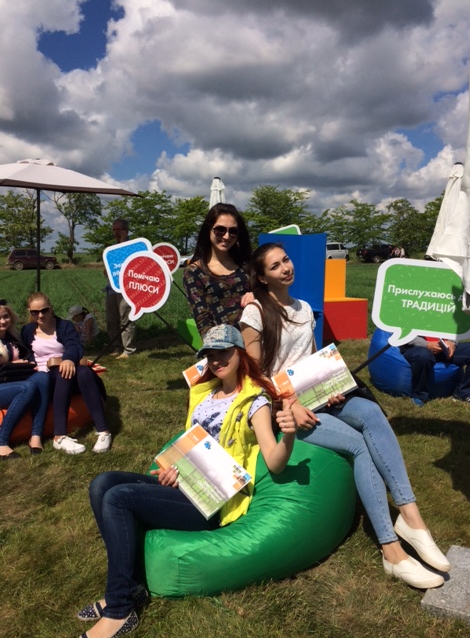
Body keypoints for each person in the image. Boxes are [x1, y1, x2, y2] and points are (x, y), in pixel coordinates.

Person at [240, 242, 450, 589]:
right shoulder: (255, 312)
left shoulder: (303, 308)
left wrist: (328, 385)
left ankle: (411, 516)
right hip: (284, 409)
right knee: (359, 445)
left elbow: (309, 360)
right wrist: (290, 403)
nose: (286, 268)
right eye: (275, 266)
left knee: (371, 412)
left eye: (286, 260)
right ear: (262, 278)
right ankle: (391, 550)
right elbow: (254, 374)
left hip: (317, 397)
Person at [76, 324, 296, 638]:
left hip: (214, 497)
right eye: (210, 354)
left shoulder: (254, 401)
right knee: (102, 483)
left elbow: (274, 461)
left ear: (239, 352)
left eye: (223, 352)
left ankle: (119, 608)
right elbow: (191, 443)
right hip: (186, 482)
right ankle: (131, 588)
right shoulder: (205, 392)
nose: (217, 360)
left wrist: (288, 435)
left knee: (118, 498)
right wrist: (173, 469)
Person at [22, 292, 112, 454]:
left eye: (44, 310)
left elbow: (74, 345)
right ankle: (59, 436)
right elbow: (24, 352)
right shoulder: (27, 331)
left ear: (50, 308)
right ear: (30, 312)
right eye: (35, 312)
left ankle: (103, 431)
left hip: (68, 369)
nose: (40, 315)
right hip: (46, 376)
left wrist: (69, 359)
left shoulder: (64, 326)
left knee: (84, 372)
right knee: (64, 372)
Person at [183, 203, 252, 337]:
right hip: (225, 343)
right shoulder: (194, 272)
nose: (226, 236)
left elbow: (270, 295)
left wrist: (258, 297)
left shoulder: (247, 263)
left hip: (260, 336)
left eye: (233, 231)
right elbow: (203, 321)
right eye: (220, 230)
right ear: (208, 230)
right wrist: (221, 345)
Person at [0, 300, 50, 458]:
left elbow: (27, 355)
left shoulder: (12, 337)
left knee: (43, 377)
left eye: (5, 316)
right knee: (27, 388)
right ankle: (1, 442)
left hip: (13, 381)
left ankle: (36, 435)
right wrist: (11, 364)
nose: (3, 321)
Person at [400, 336, 470, 407]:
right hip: (416, 347)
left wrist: (452, 342)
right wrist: (426, 344)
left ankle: (464, 392)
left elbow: (453, 329)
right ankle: (420, 395)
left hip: (444, 348)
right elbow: (403, 332)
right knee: (422, 355)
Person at [105, 218, 136, 358]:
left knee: (126, 318)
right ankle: (116, 346)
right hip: (112, 288)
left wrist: (123, 242)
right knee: (111, 320)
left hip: (126, 290)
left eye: (118, 230)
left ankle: (128, 349)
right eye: (114, 230)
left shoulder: (132, 246)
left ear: (125, 231)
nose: (115, 232)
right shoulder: (112, 247)